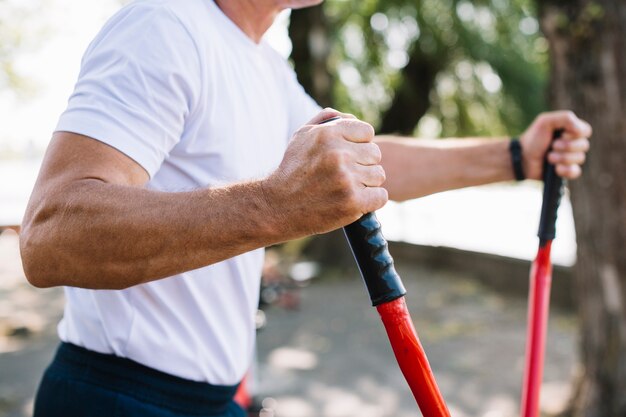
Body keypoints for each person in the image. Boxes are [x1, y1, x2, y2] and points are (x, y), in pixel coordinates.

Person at [19, 0, 592, 416]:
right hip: (119, 398)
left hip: (215, 399)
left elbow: (362, 165)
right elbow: (51, 233)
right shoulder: (163, 26)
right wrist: (275, 206)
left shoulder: (263, 64)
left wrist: (516, 155)